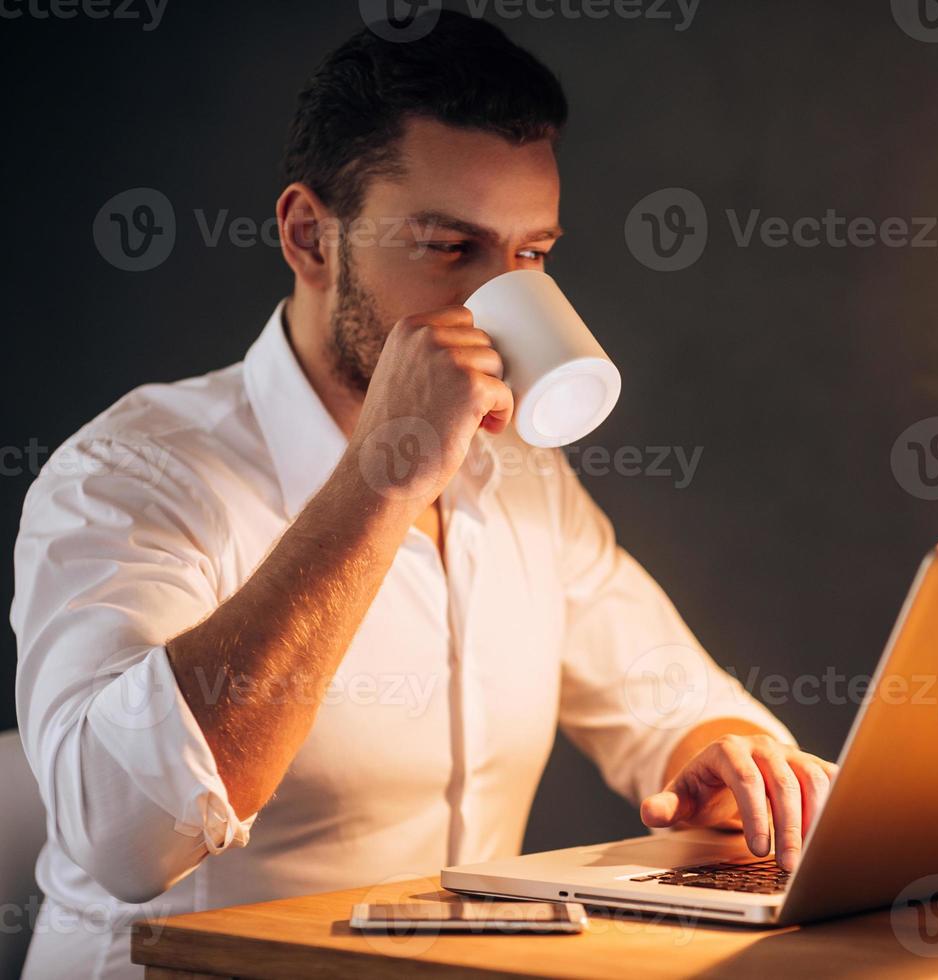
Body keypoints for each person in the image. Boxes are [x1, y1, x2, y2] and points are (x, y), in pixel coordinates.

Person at [12, 13, 834, 978]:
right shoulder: (132, 473)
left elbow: (673, 707)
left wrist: (733, 765)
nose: (500, 297)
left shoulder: (519, 474)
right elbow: (125, 836)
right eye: (451, 247)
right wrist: (381, 477)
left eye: (530, 254)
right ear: (310, 236)